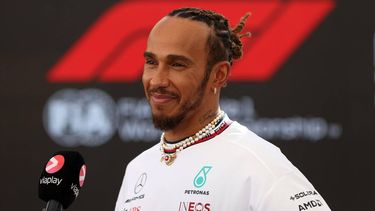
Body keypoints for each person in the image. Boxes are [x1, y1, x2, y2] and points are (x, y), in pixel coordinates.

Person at [115, 7, 331, 211]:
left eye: (177, 64)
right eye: (151, 62)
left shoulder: (256, 163)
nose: (157, 80)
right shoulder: (137, 168)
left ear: (219, 75)